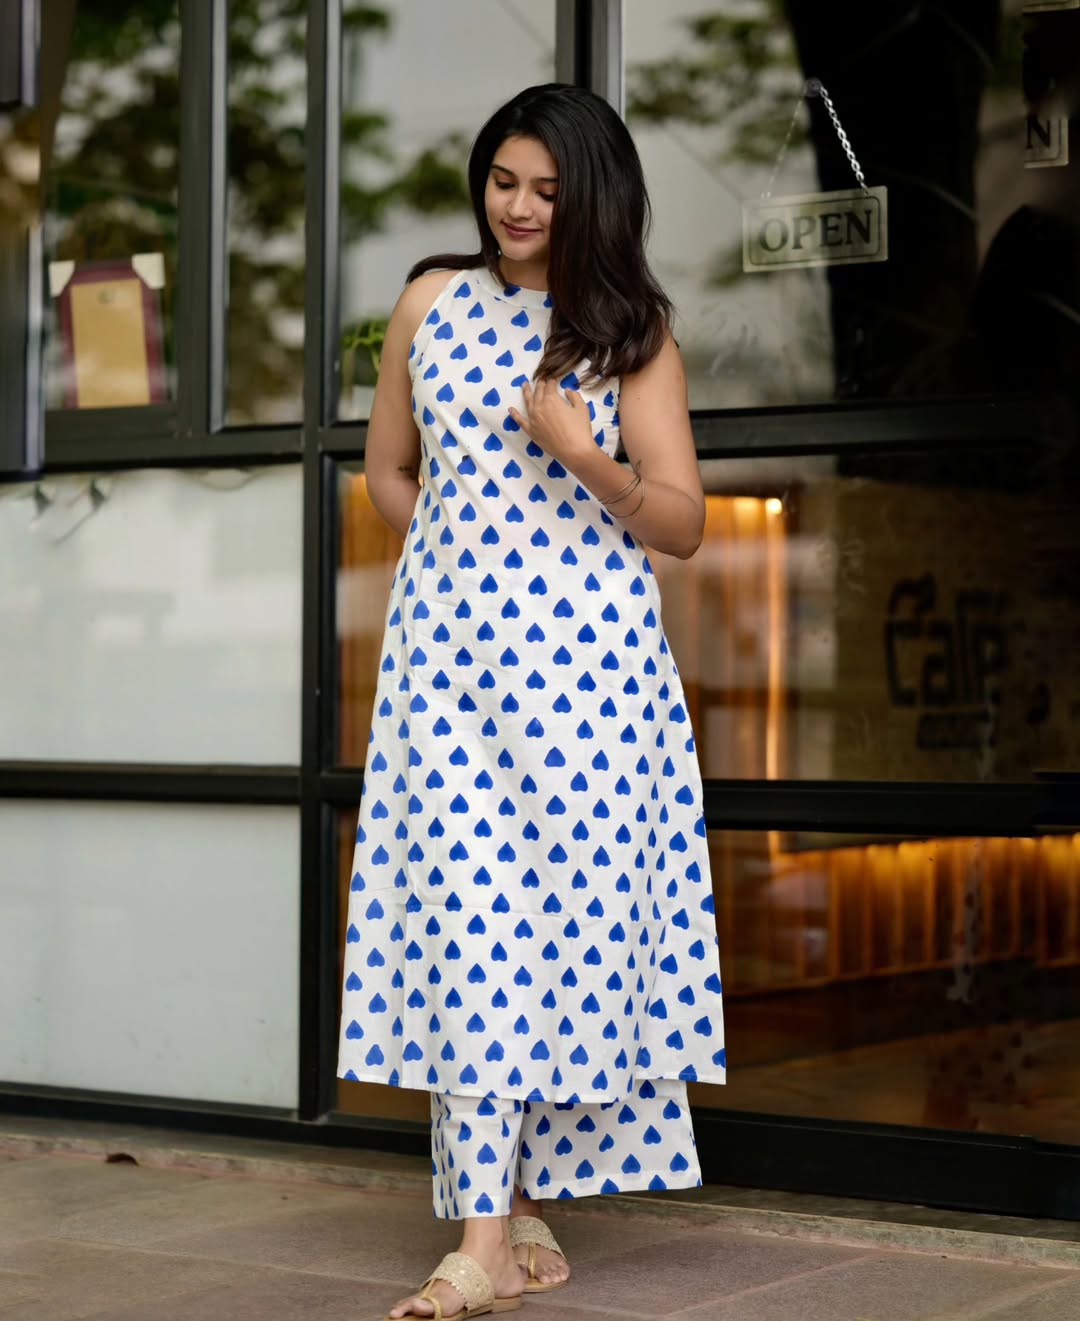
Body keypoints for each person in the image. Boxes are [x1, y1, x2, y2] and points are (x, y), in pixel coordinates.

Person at [337, 82, 726, 1321]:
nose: (517, 207)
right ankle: (486, 1241)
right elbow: (389, 473)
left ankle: (504, 1215)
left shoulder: (631, 335)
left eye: (547, 190)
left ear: (591, 199)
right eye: (503, 181)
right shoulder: (429, 302)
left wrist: (578, 454)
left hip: (589, 683)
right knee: (469, 923)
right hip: (448, 668)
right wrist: (467, 559)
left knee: (562, 929)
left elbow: (683, 523)